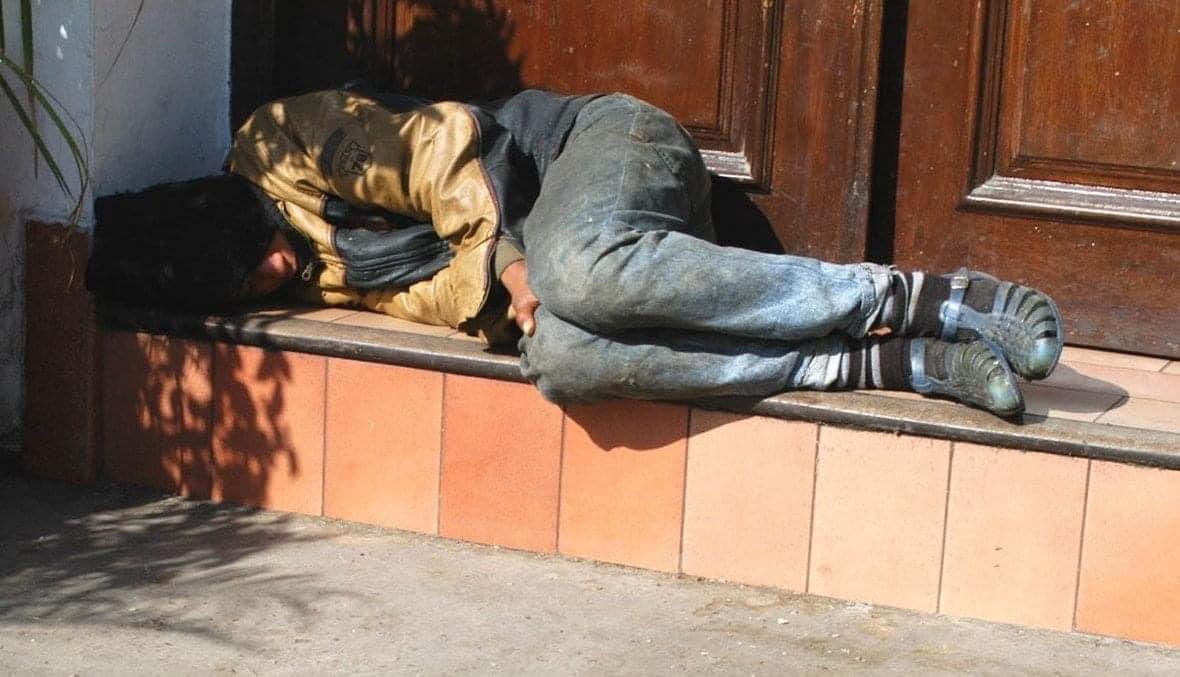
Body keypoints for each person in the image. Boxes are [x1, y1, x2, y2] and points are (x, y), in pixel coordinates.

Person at [86, 88, 1064, 417]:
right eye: (245, 292)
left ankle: (925, 296)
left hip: (599, 148)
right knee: (559, 358)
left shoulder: (280, 145)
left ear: (221, 210)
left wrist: (513, 270)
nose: (272, 278)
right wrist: (511, 301)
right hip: (573, 261)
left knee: (571, 273)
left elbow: (446, 154)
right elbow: (443, 298)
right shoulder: (298, 272)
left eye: (252, 260)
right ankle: (892, 363)